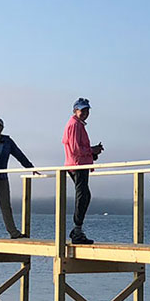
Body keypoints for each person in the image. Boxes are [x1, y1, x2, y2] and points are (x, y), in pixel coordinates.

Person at [61, 97, 102, 244]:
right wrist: (92, 150)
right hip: (77, 166)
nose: (85, 113)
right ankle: (77, 230)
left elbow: (78, 148)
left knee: (85, 195)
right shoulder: (74, 125)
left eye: (87, 110)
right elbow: (75, 149)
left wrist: (92, 153)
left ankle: (77, 229)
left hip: (79, 164)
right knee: (83, 195)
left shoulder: (78, 125)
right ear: (75, 110)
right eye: (82, 110)